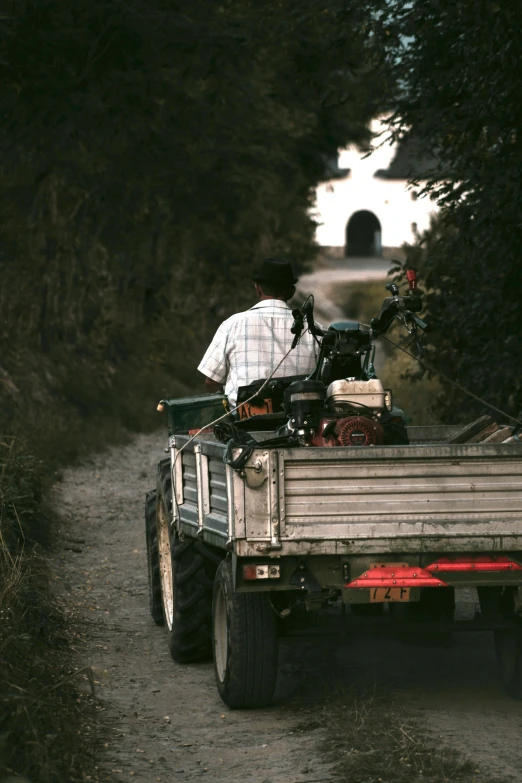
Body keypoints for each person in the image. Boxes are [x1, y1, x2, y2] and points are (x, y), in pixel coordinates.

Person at [197, 258, 319, 407]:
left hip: (243, 421)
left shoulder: (232, 325)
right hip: (299, 421)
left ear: (257, 288)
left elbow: (211, 382)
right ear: (291, 292)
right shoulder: (314, 330)